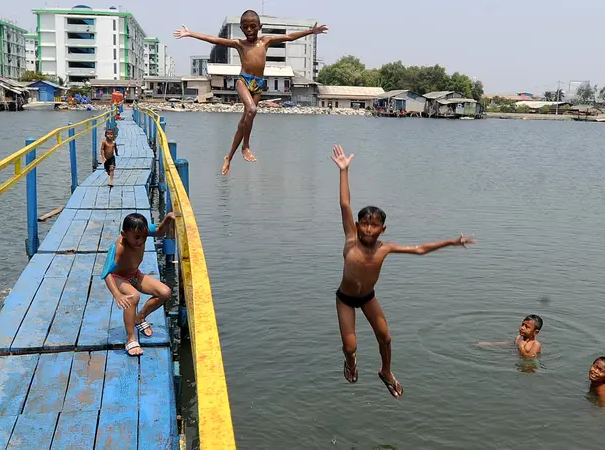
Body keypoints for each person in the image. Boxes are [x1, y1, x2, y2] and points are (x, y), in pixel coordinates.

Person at [330, 145, 476, 398]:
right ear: (356, 225)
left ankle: (385, 372)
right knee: (350, 345)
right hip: (345, 299)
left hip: (367, 297)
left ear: (382, 230)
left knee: (386, 338)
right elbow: (345, 203)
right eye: (364, 224)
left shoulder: (385, 248)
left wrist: (451, 242)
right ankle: (350, 361)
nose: (367, 229)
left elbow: (419, 249)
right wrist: (344, 171)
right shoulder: (350, 240)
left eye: (374, 226)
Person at [174, 10, 328, 175]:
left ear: (259, 27)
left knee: (244, 122)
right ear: (241, 27)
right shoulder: (239, 44)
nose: (249, 30)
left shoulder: (265, 41)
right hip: (243, 81)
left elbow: (289, 37)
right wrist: (190, 34)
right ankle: (245, 146)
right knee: (252, 110)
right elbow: (215, 39)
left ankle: (229, 157)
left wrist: (311, 32)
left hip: (258, 84)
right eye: (245, 27)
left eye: (252, 26)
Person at [101, 212, 177, 356]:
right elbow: (106, 273)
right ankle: (130, 338)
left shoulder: (142, 232)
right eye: (136, 237)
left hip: (135, 275)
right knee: (133, 296)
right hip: (119, 277)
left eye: (144, 236)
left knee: (165, 293)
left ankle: (140, 317)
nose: (141, 241)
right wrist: (117, 295)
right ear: (124, 234)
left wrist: (167, 218)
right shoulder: (119, 247)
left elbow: (160, 231)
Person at [476, 314, 543, 359]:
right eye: (522, 324)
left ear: (535, 332)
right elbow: (509, 343)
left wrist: (521, 348)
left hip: (529, 368)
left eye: (527, 327)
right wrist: (489, 344)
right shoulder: (519, 337)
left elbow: (530, 358)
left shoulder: (535, 344)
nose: (522, 328)